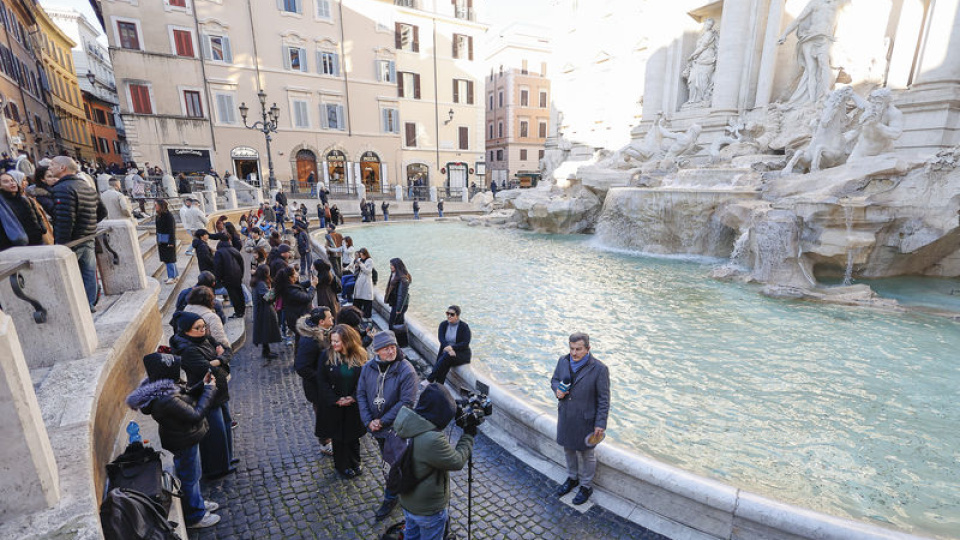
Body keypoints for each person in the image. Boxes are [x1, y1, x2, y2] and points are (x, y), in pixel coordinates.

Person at [125, 353, 221, 529]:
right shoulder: (166, 399)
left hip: (183, 437)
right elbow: (195, 414)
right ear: (167, 374)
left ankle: (197, 503)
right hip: (184, 439)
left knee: (193, 474)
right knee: (190, 477)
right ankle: (195, 516)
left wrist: (202, 385)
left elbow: (186, 397)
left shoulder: (164, 389)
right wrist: (209, 390)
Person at [394, 383, 476, 539]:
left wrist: (455, 406)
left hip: (407, 500)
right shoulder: (432, 440)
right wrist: (469, 435)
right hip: (427, 509)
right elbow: (457, 461)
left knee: (411, 534)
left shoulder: (407, 419)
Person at [356, 330, 419, 520]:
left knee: (393, 463)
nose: (391, 351)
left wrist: (382, 421)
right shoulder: (368, 368)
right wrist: (368, 421)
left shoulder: (406, 370)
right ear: (377, 352)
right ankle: (400, 489)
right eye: (385, 349)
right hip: (377, 429)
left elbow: (406, 402)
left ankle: (392, 496)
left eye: (393, 347)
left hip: (397, 429)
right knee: (389, 461)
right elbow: (360, 394)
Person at [170, 312, 236, 480]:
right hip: (205, 392)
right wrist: (220, 359)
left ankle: (227, 459)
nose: (202, 330)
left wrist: (218, 358)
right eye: (197, 328)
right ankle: (217, 468)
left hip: (219, 388)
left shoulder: (206, 338)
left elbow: (228, 350)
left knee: (226, 424)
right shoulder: (187, 349)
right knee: (216, 431)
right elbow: (206, 368)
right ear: (186, 331)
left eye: (203, 326)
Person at [550, 332, 610, 505]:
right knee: (568, 449)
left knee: (587, 454)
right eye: (571, 348)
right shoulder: (563, 361)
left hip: (586, 421)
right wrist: (557, 390)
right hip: (566, 416)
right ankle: (572, 478)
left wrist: (600, 423)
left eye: (578, 349)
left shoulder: (600, 369)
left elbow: (604, 400)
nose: (574, 353)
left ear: (588, 349)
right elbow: (554, 380)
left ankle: (586, 486)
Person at [49, 156, 103, 311]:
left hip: (72, 241)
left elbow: (65, 220)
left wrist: (61, 246)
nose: (50, 168)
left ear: (62, 168)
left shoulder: (62, 189)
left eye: (53, 165)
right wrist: (88, 225)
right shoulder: (86, 186)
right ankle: (89, 305)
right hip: (88, 237)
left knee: (71, 277)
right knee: (89, 273)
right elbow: (102, 211)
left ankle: (79, 309)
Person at [317, 324, 368, 477]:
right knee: (338, 437)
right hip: (335, 405)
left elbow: (364, 381)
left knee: (353, 435)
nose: (333, 344)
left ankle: (355, 462)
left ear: (347, 341)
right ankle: (342, 465)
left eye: (337, 341)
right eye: (332, 341)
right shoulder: (326, 356)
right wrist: (336, 399)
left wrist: (352, 397)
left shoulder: (360, 355)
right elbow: (322, 380)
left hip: (353, 405)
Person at [777, 0, 849, 105]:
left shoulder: (836, 4)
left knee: (824, 64)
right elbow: (798, 19)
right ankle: (811, 100)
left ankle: (826, 92)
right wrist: (784, 34)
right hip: (810, 37)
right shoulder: (814, 3)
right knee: (811, 70)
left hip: (825, 38)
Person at [294, 306, 336, 455]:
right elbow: (301, 367)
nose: (332, 319)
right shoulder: (310, 341)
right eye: (329, 317)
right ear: (321, 321)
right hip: (317, 387)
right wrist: (321, 378)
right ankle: (325, 443)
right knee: (322, 414)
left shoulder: (321, 333)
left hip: (322, 384)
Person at [0, 171, 48, 250]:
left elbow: (37, 216)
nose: (12, 183)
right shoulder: (3, 205)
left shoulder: (24, 199)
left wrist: (42, 229)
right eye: (6, 182)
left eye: (12, 180)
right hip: (17, 247)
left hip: (37, 243)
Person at [275, 265, 317, 353]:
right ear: (290, 277)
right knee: (301, 340)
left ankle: (299, 359)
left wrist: (310, 282)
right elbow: (307, 297)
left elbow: (300, 286)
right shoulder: (290, 291)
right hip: (297, 318)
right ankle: (300, 359)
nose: (297, 274)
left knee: (300, 339)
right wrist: (313, 286)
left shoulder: (288, 285)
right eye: (295, 273)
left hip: (296, 317)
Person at [426, 305, 472, 385]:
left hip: (461, 354)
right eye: (448, 314)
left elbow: (465, 343)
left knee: (446, 358)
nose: (449, 316)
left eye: (452, 314)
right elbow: (441, 339)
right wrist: (449, 349)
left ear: (457, 316)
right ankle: (439, 386)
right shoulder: (443, 325)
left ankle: (431, 379)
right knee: (446, 360)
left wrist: (452, 347)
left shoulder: (464, 327)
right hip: (448, 353)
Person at [249, 264, 282, 361]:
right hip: (264, 311)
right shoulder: (261, 284)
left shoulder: (257, 281)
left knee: (264, 330)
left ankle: (266, 350)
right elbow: (268, 298)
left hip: (261, 310)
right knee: (265, 330)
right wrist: (276, 290)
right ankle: (266, 352)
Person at [213, 233, 246, 318]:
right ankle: (241, 311)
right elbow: (241, 263)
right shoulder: (234, 249)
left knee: (233, 295)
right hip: (237, 275)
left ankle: (238, 312)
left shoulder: (219, 252)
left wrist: (218, 279)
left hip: (227, 277)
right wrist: (241, 274)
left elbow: (218, 267)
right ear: (229, 240)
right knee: (239, 293)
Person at [155, 199, 178, 284]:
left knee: (169, 259)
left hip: (168, 241)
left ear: (161, 206)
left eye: (156, 205)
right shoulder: (158, 215)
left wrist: (171, 242)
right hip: (161, 241)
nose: (155, 207)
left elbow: (172, 230)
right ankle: (175, 276)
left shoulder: (168, 216)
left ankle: (171, 277)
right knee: (167, 259)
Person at [384, 258, 411, 328]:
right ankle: (398, 337)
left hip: (400, 305)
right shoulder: (394, 274)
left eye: (392, 265)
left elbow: (401, 295)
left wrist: (398, 309)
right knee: (398, 323)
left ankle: (396, 337)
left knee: (393, 324)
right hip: (396, 303)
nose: (390, 266)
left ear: (397, 266)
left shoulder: (403, 280)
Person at [352, 248, 374, 319]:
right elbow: (355, 267)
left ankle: (367, 314)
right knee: (358, 298)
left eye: (362, 255)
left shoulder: (370, 261)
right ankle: (357, 312)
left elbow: (368, 271)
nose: (361, 256)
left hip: (366, 282)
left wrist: (361, 264)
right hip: (359, 281)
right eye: (360, 255)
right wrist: (356, 265)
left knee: (367, 299)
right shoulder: (359, 260)